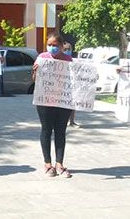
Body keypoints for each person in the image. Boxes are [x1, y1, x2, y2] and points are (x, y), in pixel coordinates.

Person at [32, 34, 74, 178]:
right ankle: (47, 164)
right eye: (49, 44)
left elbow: (75, 80)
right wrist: (35, 71)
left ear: (62, 46)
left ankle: (60, 163)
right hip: (45, 100)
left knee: (60, 131)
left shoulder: (68, 59)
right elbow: (35, 80)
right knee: (46, 130)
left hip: (63, 101)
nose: (52, 47)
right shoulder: (42, 57)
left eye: (55, 45)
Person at [63, 42, 80, 128]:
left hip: (71, 85)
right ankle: (63, 121)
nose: (67, 51)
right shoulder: (60, 60)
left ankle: (72, 121)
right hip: (61, 86)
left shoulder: (74, 60)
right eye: (65, 49)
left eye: (69, 49)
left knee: (72, 105)